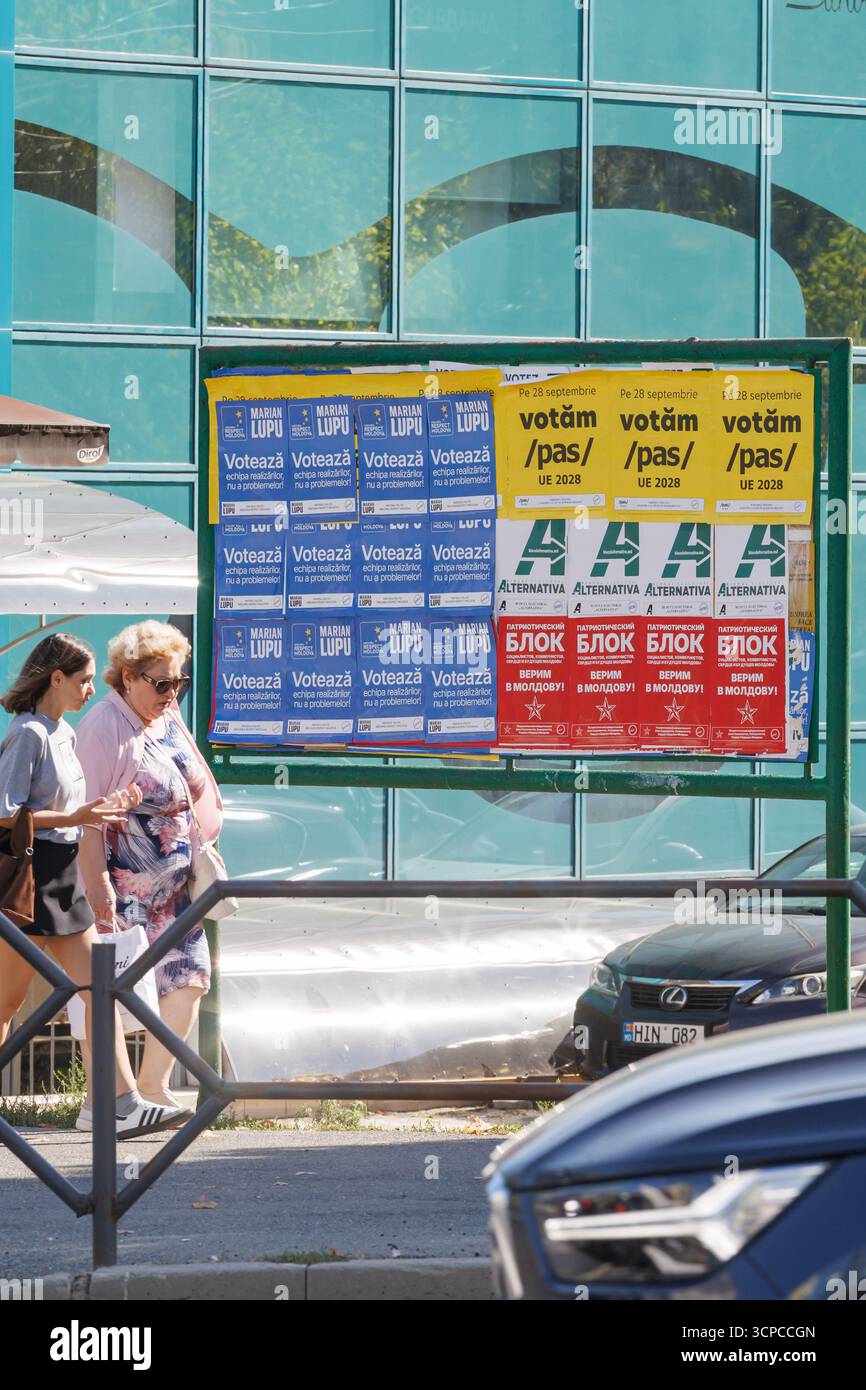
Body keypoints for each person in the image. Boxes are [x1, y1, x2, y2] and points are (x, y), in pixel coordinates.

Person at [0, 632, 180, 1137]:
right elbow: (5, 812)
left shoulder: (64, 732)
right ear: (55, 678)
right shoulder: (29, 733)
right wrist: (76, 814)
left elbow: (74, 808)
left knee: (101, 990)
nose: (88, 690)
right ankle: (116, 1104)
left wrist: (105, 807)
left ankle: (118, 1103)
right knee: (5, 1003)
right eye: (81, 680)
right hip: (29, 878)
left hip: (61, 877)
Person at [76, 621, 223, 1114]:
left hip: (177, 886)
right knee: (113, 991)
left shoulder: (167, 715)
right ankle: (106, 1101)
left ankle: (152, 1088)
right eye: (161, 682)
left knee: (189, 979)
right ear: (128, 677)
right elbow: (88, 821)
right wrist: (98, 892)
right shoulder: (104, 726)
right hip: (125, 885)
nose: (170, 691)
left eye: (177, 681)